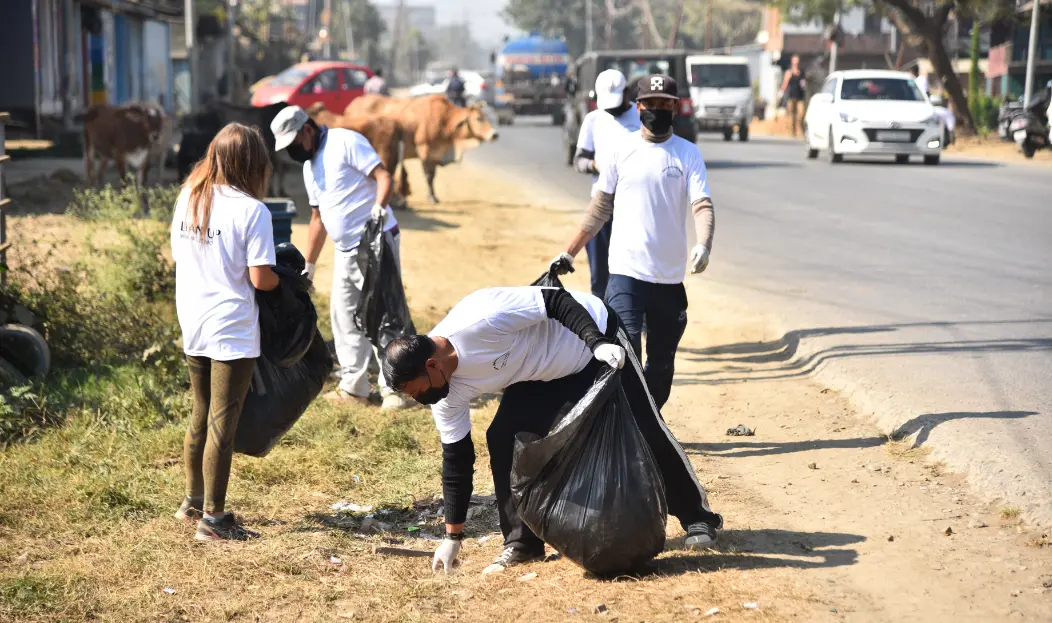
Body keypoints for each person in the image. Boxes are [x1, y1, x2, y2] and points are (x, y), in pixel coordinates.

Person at [383, 286, 723, 575]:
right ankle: (522, 544)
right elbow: (456, 459)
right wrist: (452, 537)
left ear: (432, 365)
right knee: (503, 438)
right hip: (537, 374)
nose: (421, 400)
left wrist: (597, 343)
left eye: (418, 391)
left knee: (645, 424)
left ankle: (698, 516)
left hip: (591, 342)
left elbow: (556, 300)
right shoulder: (444, 393)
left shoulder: (481, 318)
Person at [554, 74, 715, 412]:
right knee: (624, 359)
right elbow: (599, 208)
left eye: (665, 105)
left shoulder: (688, 154)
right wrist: (569, 251)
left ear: (675, 108)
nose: (658, 110)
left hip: (669, 280)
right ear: (639, 106)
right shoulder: (620, 151)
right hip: (626, 275)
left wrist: (704, 243)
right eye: (652, 104)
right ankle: (634, 433)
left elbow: (702, 205)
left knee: (660, 369)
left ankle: (649, 422)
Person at [170, 123, 280, 541]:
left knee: (201, 412)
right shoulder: (252, 211)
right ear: (253, 163)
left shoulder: (189, 197)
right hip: (231, 327)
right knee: (222, 420)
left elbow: (179, 257)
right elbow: (260, 279)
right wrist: (284, 281)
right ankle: (214, 521)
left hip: (194, 321)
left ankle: (192, 502)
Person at [269, 105, 412, 411]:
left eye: (294, 143)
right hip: (346, 249)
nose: (293, 152)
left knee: (382, 313)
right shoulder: (309, 168)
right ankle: (355, 388)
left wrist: (378, 210)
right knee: (344, 314)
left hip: (376, 242)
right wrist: (308, 264)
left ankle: (394, 389)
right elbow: (318, 219)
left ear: (307, 129)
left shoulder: (345, 141)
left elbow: (383, 177)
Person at [573, 69, 641, 300]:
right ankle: (602, 321)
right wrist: (595, 165)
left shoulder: (641, 117)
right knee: (600, 271)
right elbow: (578, 160)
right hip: (603, 203)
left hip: (634, 205)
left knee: (633, 270)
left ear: (627, 93)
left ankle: (634, 323)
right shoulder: (594, 119)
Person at [779, 55, 807, 136]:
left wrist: (805, 86)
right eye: (795, 61)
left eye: (797, 61)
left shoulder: (802, 72)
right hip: (791, 97)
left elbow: (804, 84)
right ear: (792, 62)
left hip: (800, 97)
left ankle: (801, 130)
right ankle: (793, 131)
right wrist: (781, 94)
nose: (796, 63)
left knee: (801, 114)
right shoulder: (789, 72)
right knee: (792, 115)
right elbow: (785, 83)